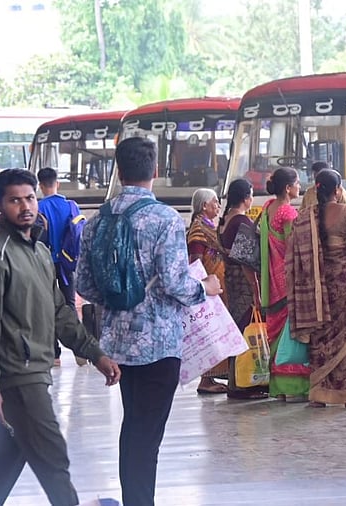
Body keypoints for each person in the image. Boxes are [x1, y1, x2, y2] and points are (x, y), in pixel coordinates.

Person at [75, 137, 222, 506]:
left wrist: (119, 302)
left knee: (136, 426)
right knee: (145, 433)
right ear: (155, 172)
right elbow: (175, 283)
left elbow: (84, 285)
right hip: (159, 346)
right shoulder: (165, 219)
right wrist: (206, 287)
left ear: (118, 172)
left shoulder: (96, 222)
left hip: (117, 348)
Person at [0, 168, 121, 506]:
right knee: (53, 457)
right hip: (18, 376)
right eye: (14, 200)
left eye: (30, 198)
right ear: (0, 208)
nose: (25, 206)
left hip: (33, 370)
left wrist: (96, 353)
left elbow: (60, 312)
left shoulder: (37, 253)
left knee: (5, 459)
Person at [286, 169, 346, 408]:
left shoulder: (304, 217)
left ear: (316, 189)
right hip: (345, 284)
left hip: (318, 287)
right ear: (337, 190)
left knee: (321, 335)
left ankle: (320, 394)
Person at [261, 168, 308, 402]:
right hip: (287, 281)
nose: (300, 187)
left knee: (275, 332)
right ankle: (293, 387)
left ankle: (277, 388)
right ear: (288, 188)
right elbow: (294, 249)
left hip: (270, 281)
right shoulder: (288, 213)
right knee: (290, 334)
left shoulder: (267, 207)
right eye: (298, 183)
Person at [219, 179, 268, 400]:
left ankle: (235, 381)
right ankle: (241, 384)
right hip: (243, 282)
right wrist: (256, 291)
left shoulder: (225, 220)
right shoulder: (241, 221)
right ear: (246, 197)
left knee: (238, 328)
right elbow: (246, 261)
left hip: (230, 280)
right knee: (245, 330)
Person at [37, 167, 85, 367]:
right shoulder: (70, 205)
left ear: (40, 185)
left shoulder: (37, 207)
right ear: (58, 183)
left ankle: (54, 353)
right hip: (67, 263)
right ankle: (80, 350)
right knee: (70, 305)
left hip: (44, 263)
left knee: (47, 306)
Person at [187, 188, 230, 395]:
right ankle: (206, 379)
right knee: (209, 329)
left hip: (216, 283)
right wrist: (203, 284)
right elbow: (195, 261)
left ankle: (213, 376)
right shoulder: (198, 229)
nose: (218, 206)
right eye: (215, 202)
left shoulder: (209, 226)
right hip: (208, 286)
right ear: (204, 206)